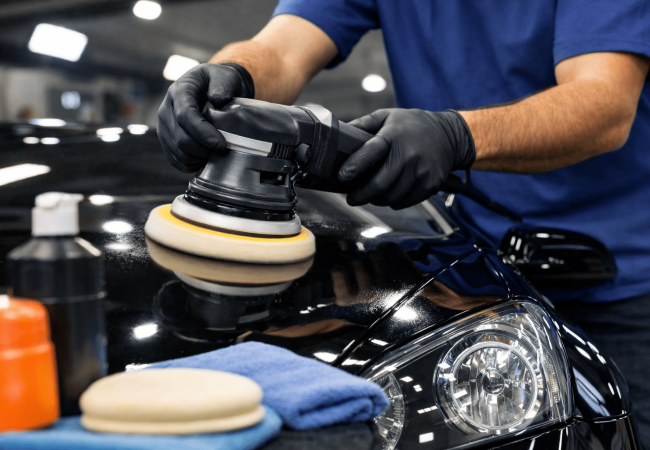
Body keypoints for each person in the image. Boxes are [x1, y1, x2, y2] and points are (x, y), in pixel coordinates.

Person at [157, 0, 650, 442]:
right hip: (477, 266)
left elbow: (604, 104)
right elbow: (282, 49)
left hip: (623, 283)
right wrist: (231, 75)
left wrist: (457, 135)